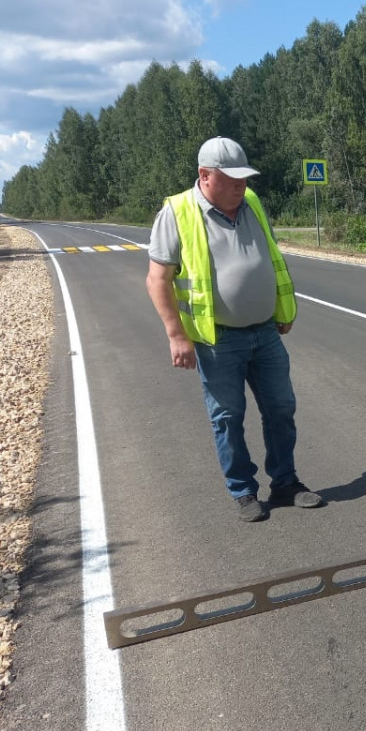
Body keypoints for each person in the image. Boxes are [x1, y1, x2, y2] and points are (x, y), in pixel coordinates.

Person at [145, 136, 323, 522]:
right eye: (231, 179)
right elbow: (157, 279)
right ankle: (243, 490)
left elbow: (270, 258)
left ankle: (286, 482)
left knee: (281, 408)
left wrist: (281, 305)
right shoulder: (177, 213)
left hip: (265, 331)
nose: (241, 186)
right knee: (227, 416)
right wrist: (176, 335)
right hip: (218, 340)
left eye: (243, 178)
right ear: (204, 175)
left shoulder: (253, 203)